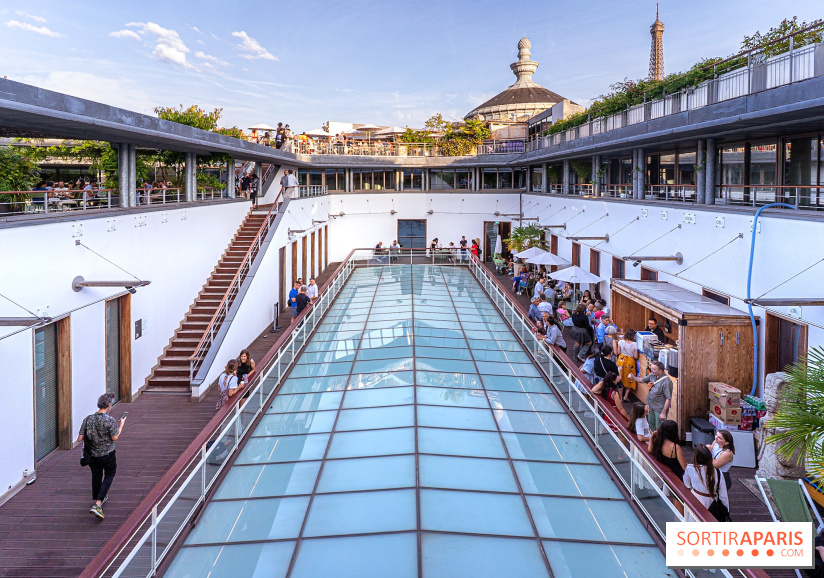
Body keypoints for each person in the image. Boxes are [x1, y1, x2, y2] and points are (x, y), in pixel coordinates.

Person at [77, 393, 126, 519]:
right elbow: (115, 437)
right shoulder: (109, 420)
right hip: (108, 454)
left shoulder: (88, 419)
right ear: (109, 405)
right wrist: (121, 425)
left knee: (96, 475)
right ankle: (98, 503)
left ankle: (99, 497)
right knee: (110, 474)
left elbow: (79, 438)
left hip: (92, 455)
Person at [684, 445, 729, 518]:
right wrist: (726, 511)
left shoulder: (690, 468)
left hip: (695, 499)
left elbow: (687, 485)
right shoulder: (718, 472)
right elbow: (723, 496)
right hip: (711, 502)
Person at [629, 360, 672, 431]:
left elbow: (668, 398)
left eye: (654, 369)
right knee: (651, 425)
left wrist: (663, 413)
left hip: (659, 408)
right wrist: (633, 378)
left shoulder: (667, 382)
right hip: (650, 405)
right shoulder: (652, 375)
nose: (652, 370)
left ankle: (658, 441)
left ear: (660, 371)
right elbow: (642, 380)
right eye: (651, 368)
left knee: (659, 427)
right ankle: (653, 439)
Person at [617, 329, 639, 401]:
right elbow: (636, 357)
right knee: (629, 379)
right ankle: (626, 396)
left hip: (621, 361)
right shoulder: (634, 344)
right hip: (630, 363)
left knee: (620, 378)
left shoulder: (620, 342)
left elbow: (618, 352)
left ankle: (620, 397)